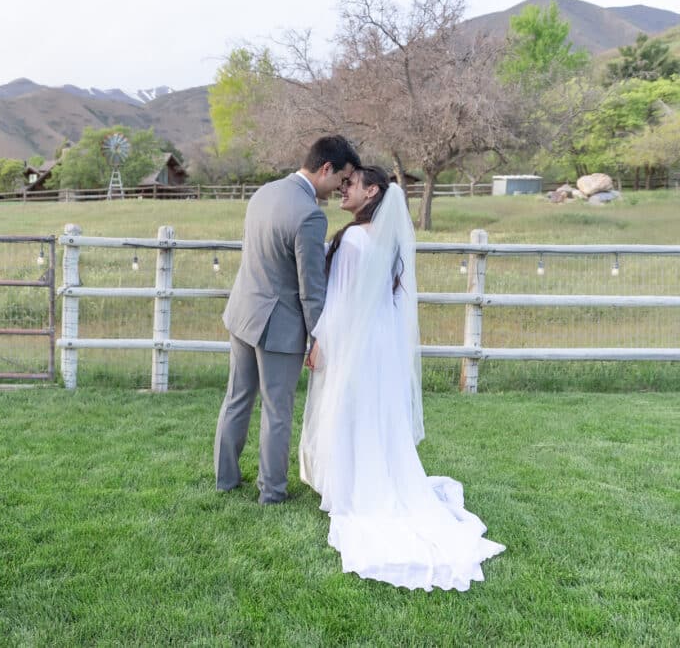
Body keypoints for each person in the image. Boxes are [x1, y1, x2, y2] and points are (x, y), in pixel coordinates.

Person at [299, 165, 505, 590]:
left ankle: (350, 485)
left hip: (354, 339)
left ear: (371, 191)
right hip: (381, 343)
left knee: (348, 408)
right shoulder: (389, 241)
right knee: (376, 412)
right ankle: (378, 475)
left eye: (350, 185)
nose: (343, 190)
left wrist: (319, 339)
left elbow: (339, 302)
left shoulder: (354, 239)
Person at [215, 135, 361, 505]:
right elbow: (310, 289)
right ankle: (272, 492)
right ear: (325, 168)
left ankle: (225, 479)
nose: (341, 188)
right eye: (341, 180)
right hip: (278, 326)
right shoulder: (310, 215)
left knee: (237, 398)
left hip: (242, 313)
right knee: (277, 411)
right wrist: (320, 337)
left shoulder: (264, 192)